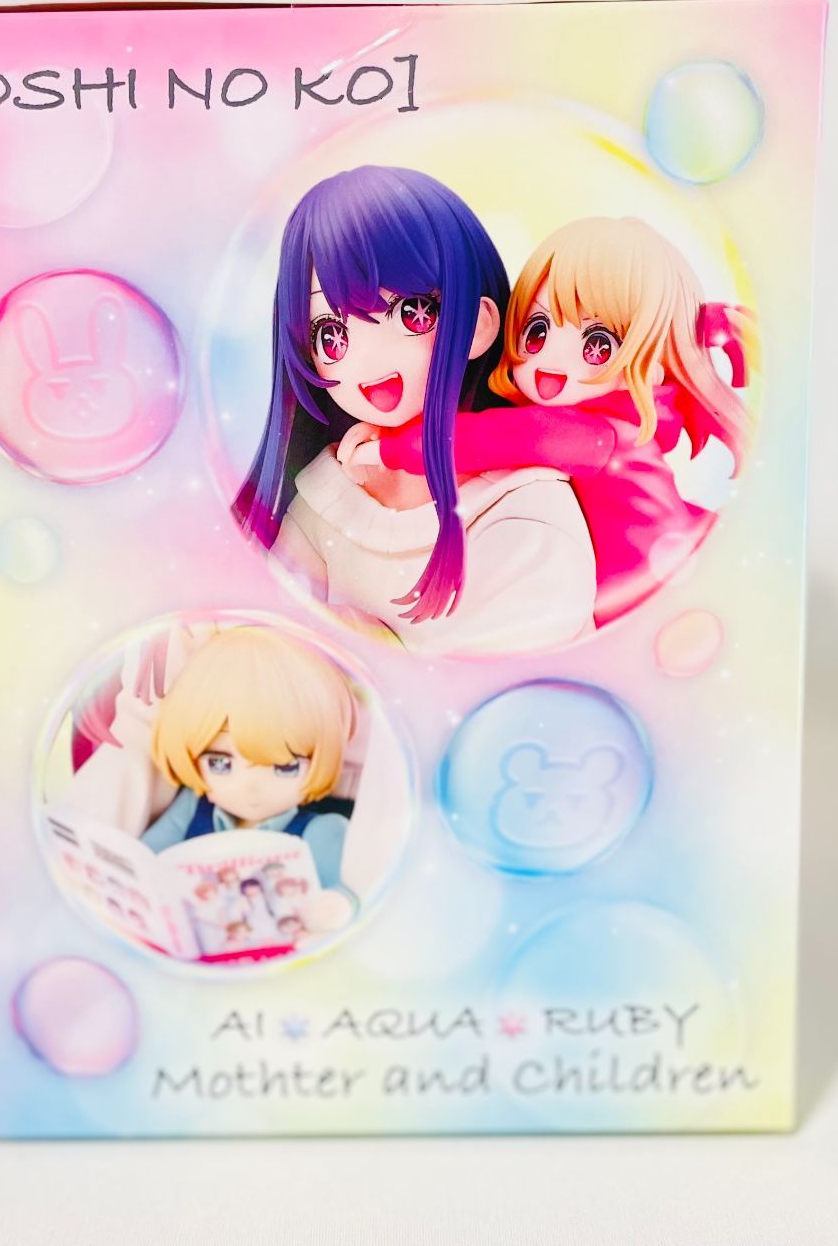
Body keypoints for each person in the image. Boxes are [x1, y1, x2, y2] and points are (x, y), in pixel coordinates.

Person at [234, 165, 596, 654]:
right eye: (332, 335)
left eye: (411, 313)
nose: (368, 359)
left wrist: (365, 643)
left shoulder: (526, 513)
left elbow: (515, 662)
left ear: (477, 324)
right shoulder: (329, 493)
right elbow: (271, 638)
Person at [340, 217, 753, 626]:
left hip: (645, 601)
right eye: (537, 332)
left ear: (651, 361)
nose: (550, 363)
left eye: (598, 344)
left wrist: (388, 449)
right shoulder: (598, 425)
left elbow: (489, 439)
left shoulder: (596, 436)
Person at [139, 626, 357, 894]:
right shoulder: (192, 808)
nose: (251, 785)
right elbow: (146, 859)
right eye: (220, 764)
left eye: (285, 767)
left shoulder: (322, 829)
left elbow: (340, 892)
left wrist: (338, 904)